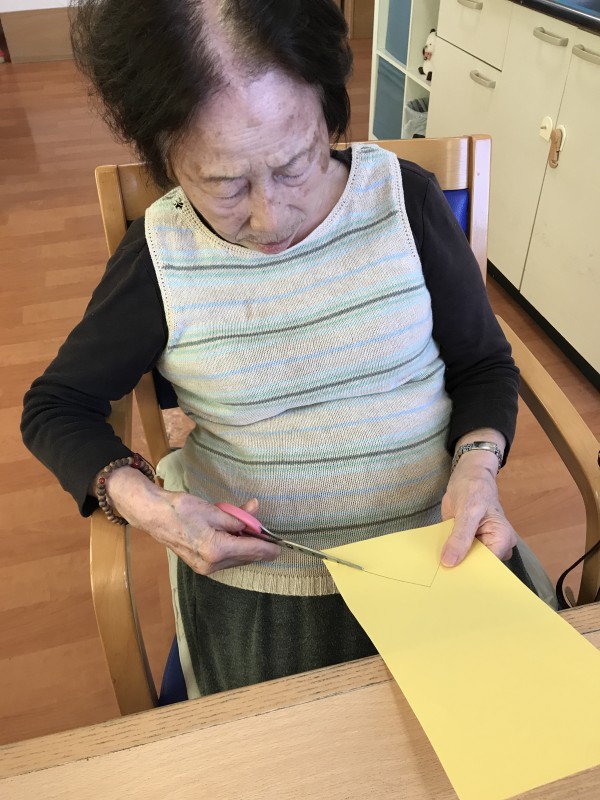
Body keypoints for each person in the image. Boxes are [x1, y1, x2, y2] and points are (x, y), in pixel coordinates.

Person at [21, 0, 554, 698]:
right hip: (268, 588)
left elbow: (483, 364)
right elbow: (56, 406)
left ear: (329, 113)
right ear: (164, 156)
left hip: (439, 555)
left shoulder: (404, 204)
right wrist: (147, 503)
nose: (270, 218)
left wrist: (479, 464)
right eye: (225, 185)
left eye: (297, 164)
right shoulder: (161, 257)